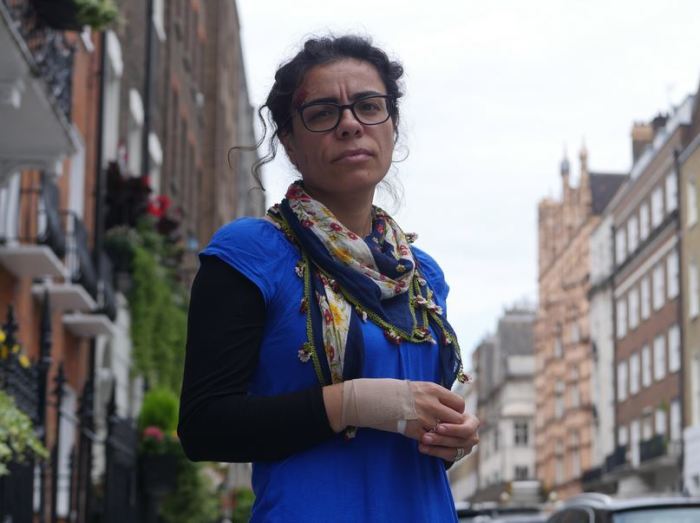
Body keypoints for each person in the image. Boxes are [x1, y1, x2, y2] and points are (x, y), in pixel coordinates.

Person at [177, 35, 480, 522]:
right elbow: (204, 427)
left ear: (393, 127)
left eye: (368, 106)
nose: (349, 124)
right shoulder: (250, 252)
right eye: (322, 112)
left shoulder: (423, 273)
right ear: (290, 143)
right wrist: (356, 402)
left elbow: (413, 426)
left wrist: (454, 436)